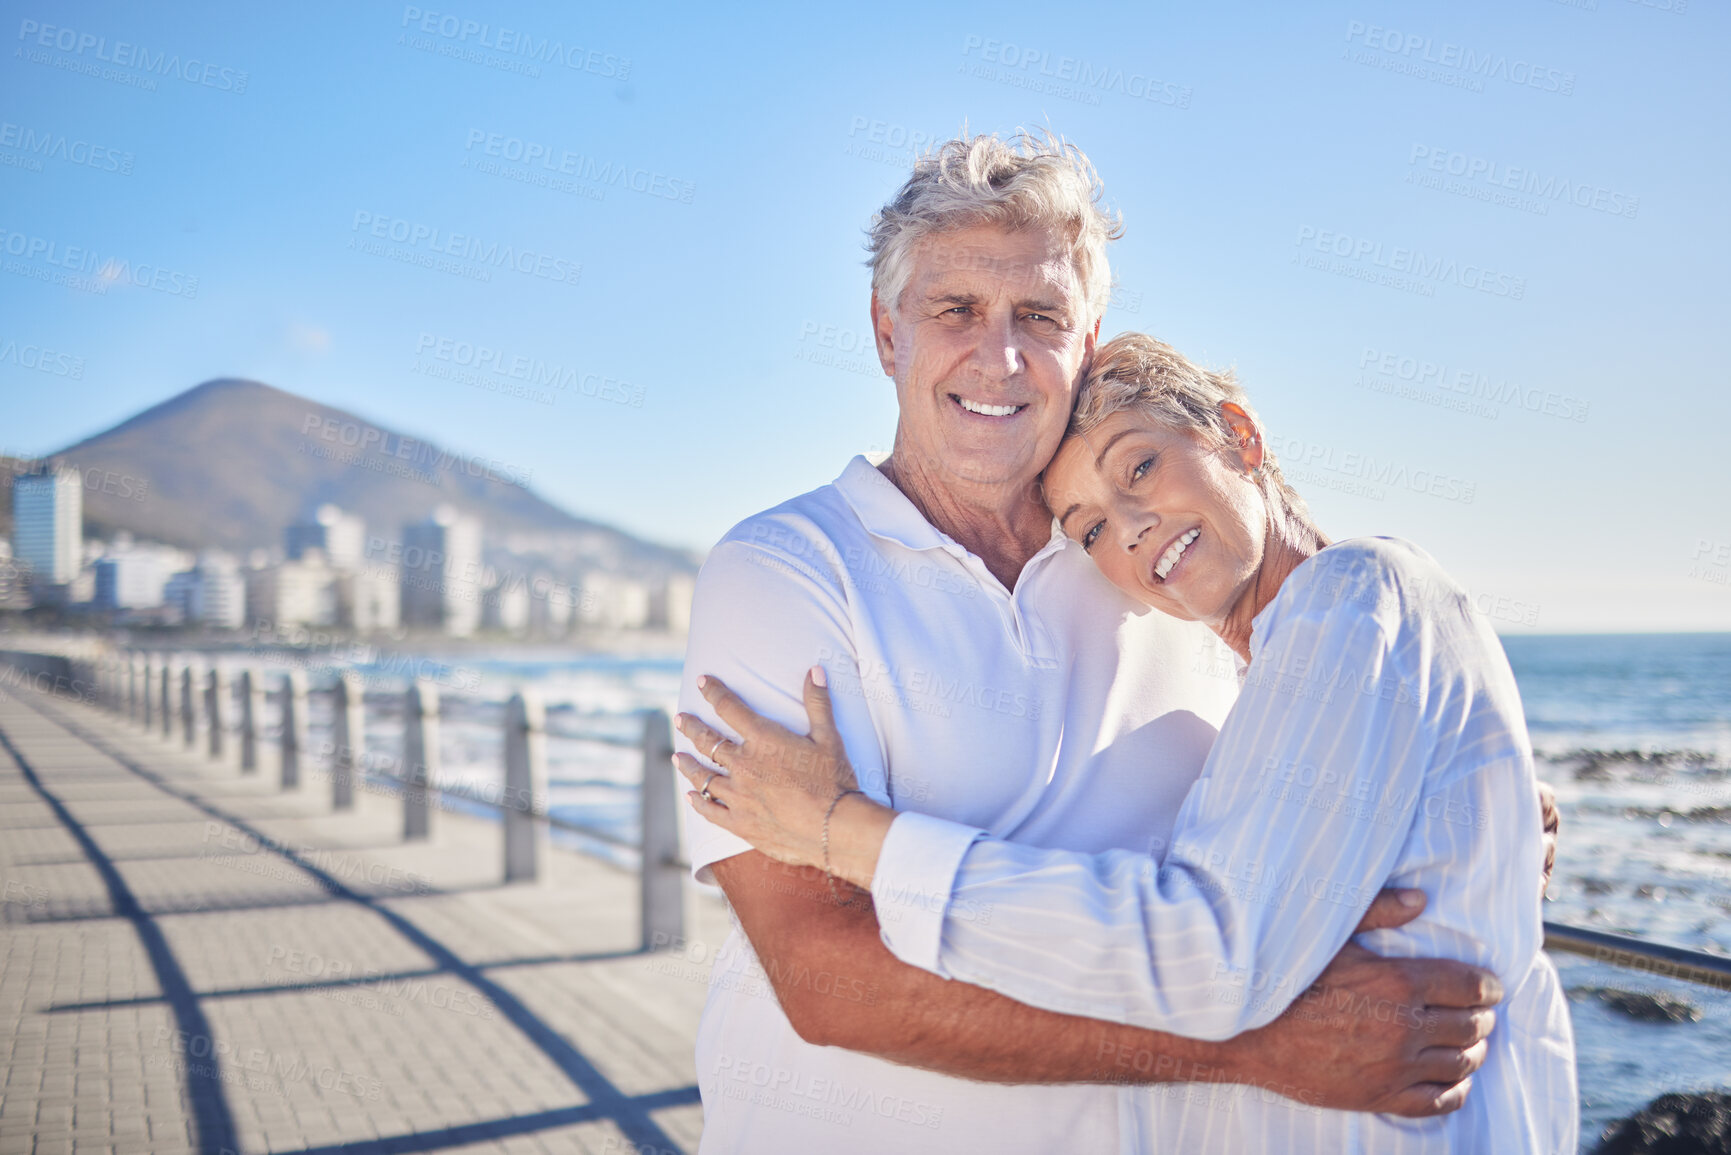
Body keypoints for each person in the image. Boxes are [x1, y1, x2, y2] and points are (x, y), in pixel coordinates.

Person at [674, 131, 1521, 1154]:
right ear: (886, 332)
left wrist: (1467, 796)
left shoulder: (1149, 562)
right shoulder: (784, 571)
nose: (1001, 357)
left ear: (1088, 338)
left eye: (1040, 316)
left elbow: (1337, 684)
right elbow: (826, 978)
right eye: (956, 312)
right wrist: (1250, 1051)